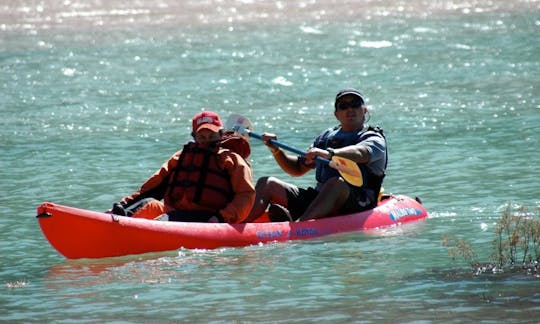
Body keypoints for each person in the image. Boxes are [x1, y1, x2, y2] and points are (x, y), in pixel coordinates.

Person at [244, 88, 387, 222]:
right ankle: (240, 226)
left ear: (365, 110)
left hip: (359, 201)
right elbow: (297, 169)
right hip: (320, 199)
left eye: (355, 104)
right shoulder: (327, 137)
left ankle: (300, 225)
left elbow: (361, 152)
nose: (350, 109)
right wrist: (276, 150)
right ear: (336, 114)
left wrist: (330, 154)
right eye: (343, 106)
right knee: (267, 183)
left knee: (336, 183)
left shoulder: (373, 137)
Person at [110, 111, 255, 223]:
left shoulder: (231, 159)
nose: (207, 141)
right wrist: (122, 206)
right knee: (148, 203)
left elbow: (245, 195)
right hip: (177, 214)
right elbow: (150, 189)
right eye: (202, 137)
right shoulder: (180, 157)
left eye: (211, 136)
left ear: (221, 134)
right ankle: (112, 219)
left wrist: (221, 217)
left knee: (164, 220)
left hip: (211, 217)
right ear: (194, 136)